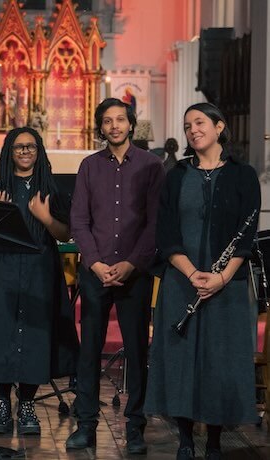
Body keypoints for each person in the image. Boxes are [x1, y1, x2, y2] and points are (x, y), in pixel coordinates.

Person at [145, 103, 260, 460]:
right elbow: (165, 232)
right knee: (180, 360)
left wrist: (222, 277)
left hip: (227, 284)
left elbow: (247, 232)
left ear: (219, 127)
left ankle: (213, 439)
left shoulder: (243, 174)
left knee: (219, 360)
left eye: (200, 122)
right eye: (187, 125)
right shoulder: (176, 174)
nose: (193, 129)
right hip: (183, 281)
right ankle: (183, 438)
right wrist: (192, 272)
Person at [68, 98, 165, 454]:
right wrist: (94, 263)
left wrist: (132, 264)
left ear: (130, 124)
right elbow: (79, 220)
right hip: (95, 272)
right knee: (89, 351)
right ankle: (86, 425)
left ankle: (135, 426)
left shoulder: (153, 166)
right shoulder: (89, 166)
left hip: (135, 274)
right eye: (107, 121)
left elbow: (156, 223)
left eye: (120, 120)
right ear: (101, 127)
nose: (114, 126)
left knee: (137, 350)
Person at [0, 127, 78, 436]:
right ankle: (3, 402)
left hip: (39, 271)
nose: (25, 151)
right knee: (2, 333)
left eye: (30, 146)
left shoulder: (51, 189)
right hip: (2, 270)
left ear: (39, 151)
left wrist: (45, 218)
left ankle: (28, 403)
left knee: (34, 337)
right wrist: (0, 215)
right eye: (18, 147)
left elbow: (64, 234)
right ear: (9, 152)